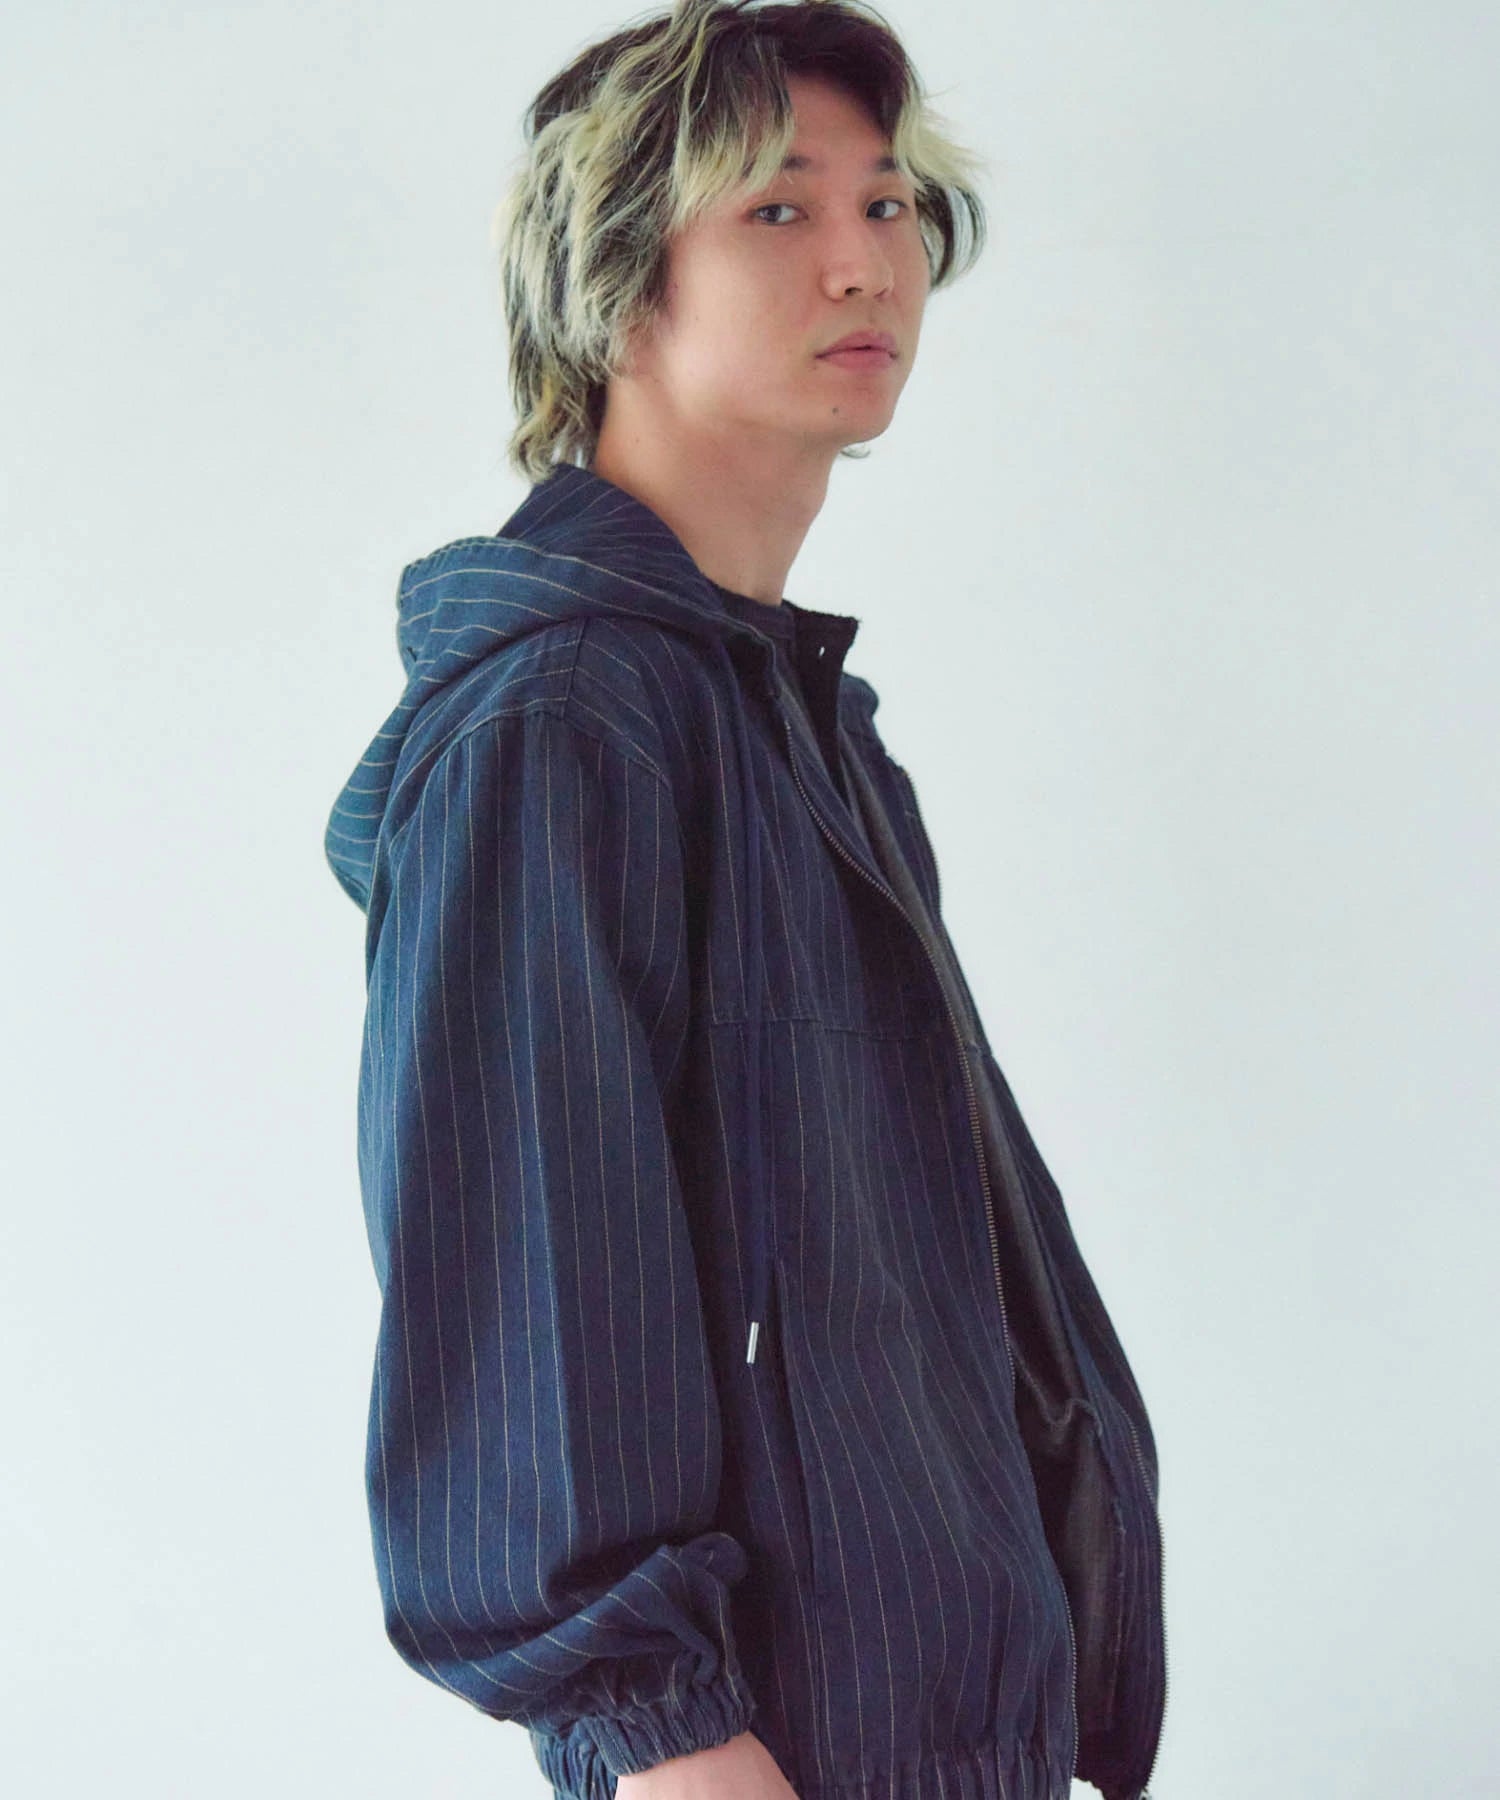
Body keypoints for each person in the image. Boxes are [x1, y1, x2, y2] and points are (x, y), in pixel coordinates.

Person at [322, 3, 1167, 1797]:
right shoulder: (565, 727)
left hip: (955, 1723)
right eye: (778, 210)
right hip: (769, 1754)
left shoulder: (807, 730)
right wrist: (663, 1736)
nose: (866, 262)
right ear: (616, 285)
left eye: (890, 204)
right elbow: (527, 1291)